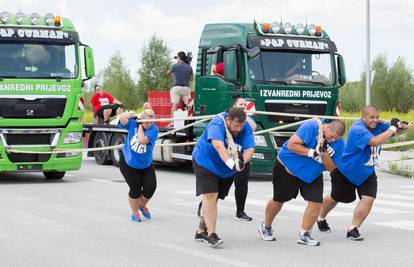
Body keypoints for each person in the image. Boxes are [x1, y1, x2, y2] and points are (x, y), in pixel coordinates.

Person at [317, 106, 409, 240]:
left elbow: (392, 133)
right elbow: (375, 141)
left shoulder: (378, 126)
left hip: (367, 172)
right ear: (363, 117)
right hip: (347, 172)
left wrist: (401, 128)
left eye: (377, 117)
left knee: (368, 199)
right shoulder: (357, 129)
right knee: (334, 198)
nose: (375, 120)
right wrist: (393, 128)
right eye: (371, 118)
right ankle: (320, 218)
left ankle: (353, 229)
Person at [259, 119, 345, 246]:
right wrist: (312, 152)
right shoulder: (312, 126)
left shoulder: (339, 143)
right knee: (278, 200)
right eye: (331, 137)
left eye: (336, 139)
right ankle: (266, 225)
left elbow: (332, 168)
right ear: (327, 128)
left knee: (316, 203)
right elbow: (292, 145)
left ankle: (305, 234)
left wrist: (324, 153)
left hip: (312, 174)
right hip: (287, 168)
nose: (333, 140)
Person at [192, 107, 255, 247]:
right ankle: (211, 234)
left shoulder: (245, 127)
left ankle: (200, 231)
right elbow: (219, 146)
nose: (239, 129)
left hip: (225, 170)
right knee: (210, 196)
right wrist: (231, 163)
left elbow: (250, 148)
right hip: (205, 162)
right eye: (236, 125)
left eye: (241, 126)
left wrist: (241, 163)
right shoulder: (217, 124)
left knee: (213, 200)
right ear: (228, 120)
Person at [118, 102, 159, 222]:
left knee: (150, 188)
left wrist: (140, 126)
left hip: (145, 164)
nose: (148, 124)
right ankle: (134, 213)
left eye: (151, 122)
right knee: (135, 190)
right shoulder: (133, 123)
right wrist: (129, 114)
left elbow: (141, 140)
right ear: (141, 119)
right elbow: (121, 117)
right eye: (146, 121)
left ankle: (142, 205)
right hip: (129, 162)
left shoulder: (154, 129)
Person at [167, 51, 194, 122]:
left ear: (178, 57)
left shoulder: (175, 65)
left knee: (174, 105)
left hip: (177, 88)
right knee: (189, 105)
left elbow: (167, 73)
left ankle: (172, 122)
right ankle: (190, 121)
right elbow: (192, 79)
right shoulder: (189, 67)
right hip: (186, 88)